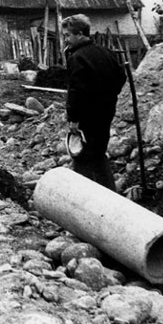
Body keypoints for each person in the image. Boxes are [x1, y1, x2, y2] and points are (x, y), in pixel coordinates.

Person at [62, 14, 127, 191]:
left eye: (68, 35)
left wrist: (73, 118)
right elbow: (121, 76)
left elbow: (76, 92)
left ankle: (84, 199)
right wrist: (108, 95)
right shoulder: (106, 52)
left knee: (82, 158)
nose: (66, 39)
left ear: (81, 34)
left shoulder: (77, 58)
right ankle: (110, 195)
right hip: (106, 113)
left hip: (87, 118)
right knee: (98, 155)